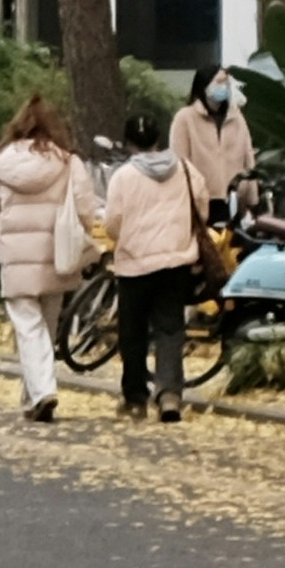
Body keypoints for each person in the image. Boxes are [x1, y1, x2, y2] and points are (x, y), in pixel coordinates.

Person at [0, 94, 88, 424]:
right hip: (57, 256)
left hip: (16, 259)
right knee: (45, 329)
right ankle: (35, 395)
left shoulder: (0, 166)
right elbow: (84, 208)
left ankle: (40, 392)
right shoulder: (69, 163)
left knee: (28, 329)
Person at [99, 128, 198, 420]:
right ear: (159, 141)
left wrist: (124, 237)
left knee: (133, 332)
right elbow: (200, 206)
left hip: (135, 263)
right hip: (175, 260)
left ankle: (135, 398)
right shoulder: (184, 169)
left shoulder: (123, 176)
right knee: (170, 328)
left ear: (129, 143)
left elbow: (112, 222)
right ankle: (169, 395)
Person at [167, 63, 259, 237]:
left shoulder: (237, 118)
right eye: (219, 82)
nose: (223, 87)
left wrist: (251, 199)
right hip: (200, 201)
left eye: (226, 83)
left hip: (233, 200)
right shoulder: (185, 118)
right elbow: (179, 163)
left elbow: (248, 157)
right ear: (205, 85)